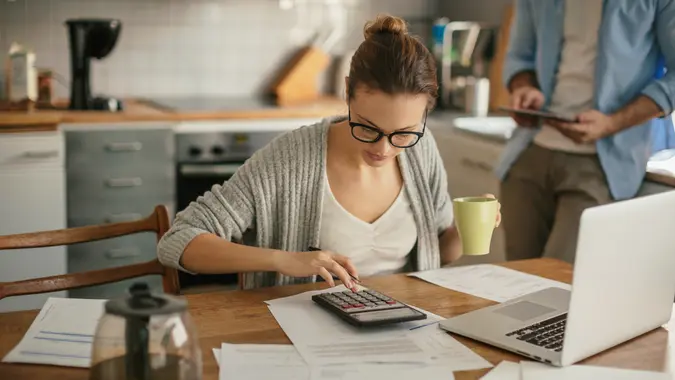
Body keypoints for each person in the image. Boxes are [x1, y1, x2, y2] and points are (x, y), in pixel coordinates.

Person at [157, 14, 501, 290]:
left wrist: (460, 229)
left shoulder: (421, 150)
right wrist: (283, 260)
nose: (384, 149)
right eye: (368, 127)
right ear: (348, 91)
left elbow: (439, 252)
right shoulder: (291, 159)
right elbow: (178, 241)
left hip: (405, 325)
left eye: (403, 134)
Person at [497, 0, 675, 264]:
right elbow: (519, 57)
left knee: (559, 290)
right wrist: (524, 87)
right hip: (529, 153)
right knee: (515, 285)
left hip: (602, 164)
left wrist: (611, 123)